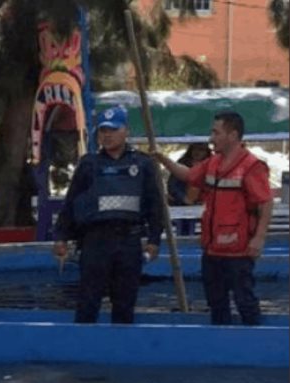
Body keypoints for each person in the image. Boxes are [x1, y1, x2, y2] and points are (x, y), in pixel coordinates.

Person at [156, 111, 272, 326]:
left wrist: (259, 238)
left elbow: (265, 202)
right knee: (216, 302)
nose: (211, 138)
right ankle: (221, 341)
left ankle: (254, 343)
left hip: (239, 250)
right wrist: (163, 160)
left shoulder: (251, 166)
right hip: (212, 249)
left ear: (233, 135)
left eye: (216, 132)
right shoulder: (213, 164)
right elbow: (189, 175)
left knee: (244, 300)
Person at [52, 106, 163, 324]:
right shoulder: (88, 164)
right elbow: (71, 202)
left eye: (113, 130)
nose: (107, 135)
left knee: (124, 302)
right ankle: (84, 348)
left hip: (129, 241)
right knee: (88, 301)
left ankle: (120, 350)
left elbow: (154, 204)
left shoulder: (142, 164)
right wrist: (61, 237)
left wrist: (154, 240)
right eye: (103, 130)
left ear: (126, 131)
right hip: (95, 241)